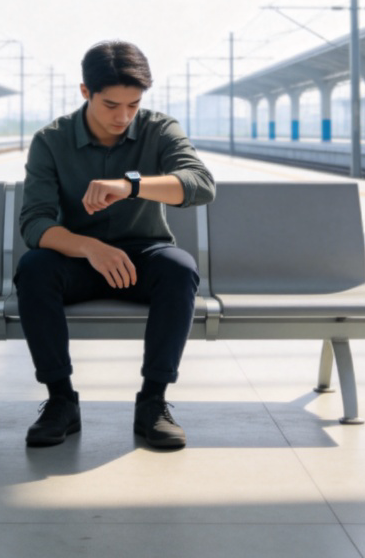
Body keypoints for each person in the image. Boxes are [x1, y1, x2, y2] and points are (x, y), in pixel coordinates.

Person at [15, 40, 216, 449]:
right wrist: (89, 247)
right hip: (74, 259)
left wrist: (131, 186)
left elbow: (201, 185)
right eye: (110, 105)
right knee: (34, 268)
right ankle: (60, 400)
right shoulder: (50, 141)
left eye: (133, 104)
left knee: (179, 269)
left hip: (143, 255)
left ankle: (153, 402)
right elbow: (34, 223)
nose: (123, 116)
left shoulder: (160, 129)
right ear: (85, 92)